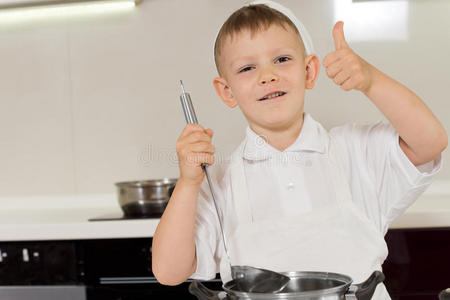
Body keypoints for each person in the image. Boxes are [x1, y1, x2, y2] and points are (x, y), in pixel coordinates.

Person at [151, 1, 447, 299]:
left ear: (309, 71)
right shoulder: (218, 181)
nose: (267, 75)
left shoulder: (353, 151)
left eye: (281, 59)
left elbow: (430, 142)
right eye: (247, 67)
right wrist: (188, 183)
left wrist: (371, 81)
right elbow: (168, 271)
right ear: (227, 91)